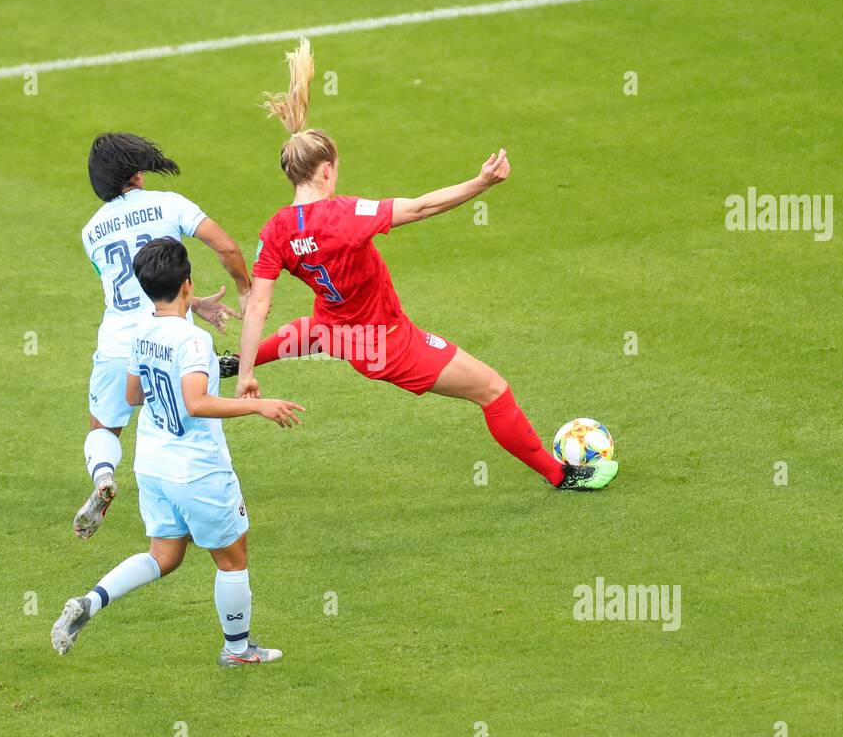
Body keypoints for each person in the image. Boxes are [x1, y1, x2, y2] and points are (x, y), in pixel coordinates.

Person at [235, 40, 617, 492]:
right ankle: (562, 476)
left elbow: (257, 306)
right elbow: (418, 208)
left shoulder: (275, 230)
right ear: (326, 171)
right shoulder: (344, 215)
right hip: (388, 344)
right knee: (493, 390)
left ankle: (231, 360)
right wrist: (481, 182)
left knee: (311, 332)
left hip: (337, 330)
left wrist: (245, 374)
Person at [53, 237, 302, 666]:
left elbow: (132, 395)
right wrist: (257, 405)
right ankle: (238, 650)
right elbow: (196, 402)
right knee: (232, 557)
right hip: (197, 469)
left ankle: (91, 601)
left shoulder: (140, 332)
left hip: (153, 464)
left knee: (164, 555)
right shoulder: (193, 340)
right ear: (188, 284)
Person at [74, 133, 251, 539]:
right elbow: (225, 246)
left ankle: (103, 477)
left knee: (103, 428)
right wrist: (244, 286)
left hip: (119, 344)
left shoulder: (91, 232)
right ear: (137, 172)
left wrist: (195, 303)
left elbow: (135, 289)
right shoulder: (171, 204)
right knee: (185, 416)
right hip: (172, 343)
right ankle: (200, 505)